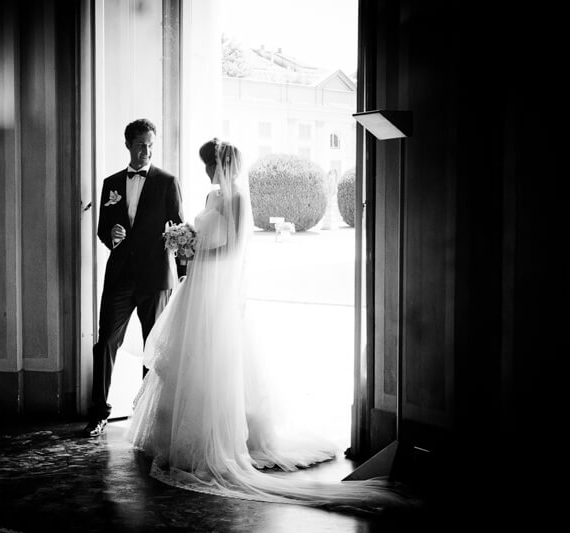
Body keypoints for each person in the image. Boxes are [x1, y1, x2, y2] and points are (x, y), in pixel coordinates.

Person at [125, 138, 420, 514]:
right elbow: (205, 238)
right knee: (187, 362)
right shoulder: (211, 198)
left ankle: (219, 440)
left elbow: (233, 251)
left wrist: (197, 248)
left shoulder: (238, 201)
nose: (206, 171)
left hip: (216, 293)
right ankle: (176, 439)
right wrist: (188, 244)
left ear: (223, 164)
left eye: (208, 164)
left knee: (215, 363)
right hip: (196, 289)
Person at [84, 118, 186, 437]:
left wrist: (182, 276)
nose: (146, 150)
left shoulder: (167, 182)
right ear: (128, 144)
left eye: (151, 144)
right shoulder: (111, 183)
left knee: (152, 347)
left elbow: (180, 231)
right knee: (105, 344)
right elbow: (103, 230)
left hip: (156, 278)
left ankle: (146, 416)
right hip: (119, 277)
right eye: (140, 144)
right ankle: (99, 412)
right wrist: (111, 235)